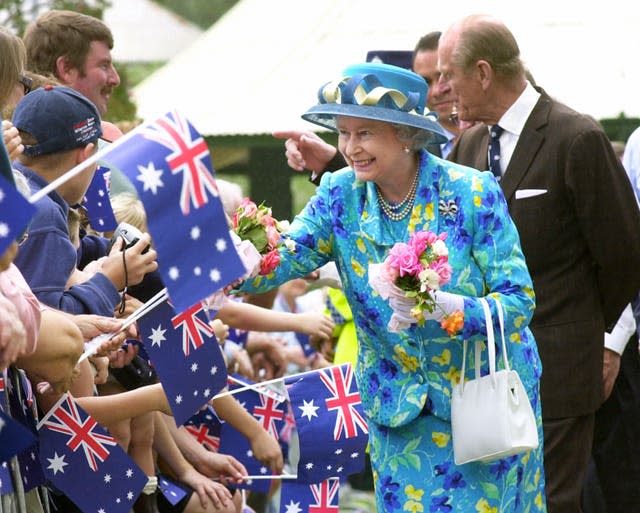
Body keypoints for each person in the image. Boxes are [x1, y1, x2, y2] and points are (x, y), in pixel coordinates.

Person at [238, 61, 546, 511]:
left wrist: (446, 307)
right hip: (397, 414)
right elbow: (279, 261)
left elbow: (519, 302)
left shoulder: (470, 191)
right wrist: (225, 256)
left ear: (406, 135)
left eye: (364, 133)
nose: (349, 148)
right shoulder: (339, 195)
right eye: (343, 133)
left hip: (482, 408)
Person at [437, 14, 640, 513]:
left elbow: (625, 254)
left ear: (483, 73)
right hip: (483, 374)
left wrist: (593, 333)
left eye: (448, 74)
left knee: (550, 502)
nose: (441, 89)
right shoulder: (468, 145)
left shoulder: (577, 137)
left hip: (560, 368)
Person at [273, 30, 473, 178]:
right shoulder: (338, 186)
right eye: (426, 81)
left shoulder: (489, 133)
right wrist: (329, 162)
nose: (438, 90)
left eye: (444, 76)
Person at [23, 9, 120, 116]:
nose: (115, 79)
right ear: (67, 69)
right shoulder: (107, 132)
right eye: (104, 66)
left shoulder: (16, 127)